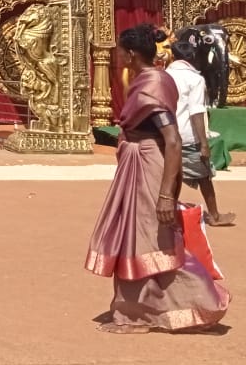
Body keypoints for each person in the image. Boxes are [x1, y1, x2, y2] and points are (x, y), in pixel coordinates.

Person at [84, 23, 229, 334]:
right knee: (135, 238)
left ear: (131, 54)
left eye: (120, 52)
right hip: (138, 164)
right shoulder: (154, 78)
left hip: (149, 166)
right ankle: (134, 310)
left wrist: (165, 194)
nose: (118, 57)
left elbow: (172, 140)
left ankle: (200, 303)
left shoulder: (153, 84)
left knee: (150, 241)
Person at [166, 37, 236, 227]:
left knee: (169, 176)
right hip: (187, 136)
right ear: (194, 57)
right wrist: (204, 143)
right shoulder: (195, 79)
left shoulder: (164, 75)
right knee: (204, 175)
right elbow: (196, 111)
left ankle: (167, 213)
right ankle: (214, 215)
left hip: (166, 134)